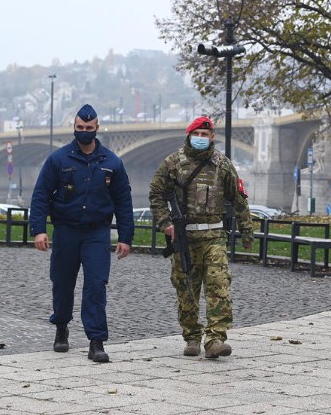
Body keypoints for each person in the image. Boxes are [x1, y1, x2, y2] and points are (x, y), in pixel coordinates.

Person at [30, 104, 134, 363]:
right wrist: (39, 230)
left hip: (97, 233)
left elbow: (123, 202)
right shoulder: (58, 160)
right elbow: (41, 195)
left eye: (89, 128)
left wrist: (125, 237)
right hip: (66, 232)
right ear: (74, 128)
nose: (84, 131)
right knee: (62, 284)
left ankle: (96, 341)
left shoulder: (112, 162)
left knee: (96, 286)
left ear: (97, 129)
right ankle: (61, 327)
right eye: (80, 128)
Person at [149, 116, 253, 359]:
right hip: (184, 238)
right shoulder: (173, 163)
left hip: (214, 237)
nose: (201, 139)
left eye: (205, 135)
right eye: (197, 134)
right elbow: (156, 193)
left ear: (212, 137)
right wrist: (165, 223)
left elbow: (238, 199)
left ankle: (216, 338)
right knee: (186, 289)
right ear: (189, 135)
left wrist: (247, 231)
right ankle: (192, 336)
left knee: (219, 286)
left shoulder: (222, 165)